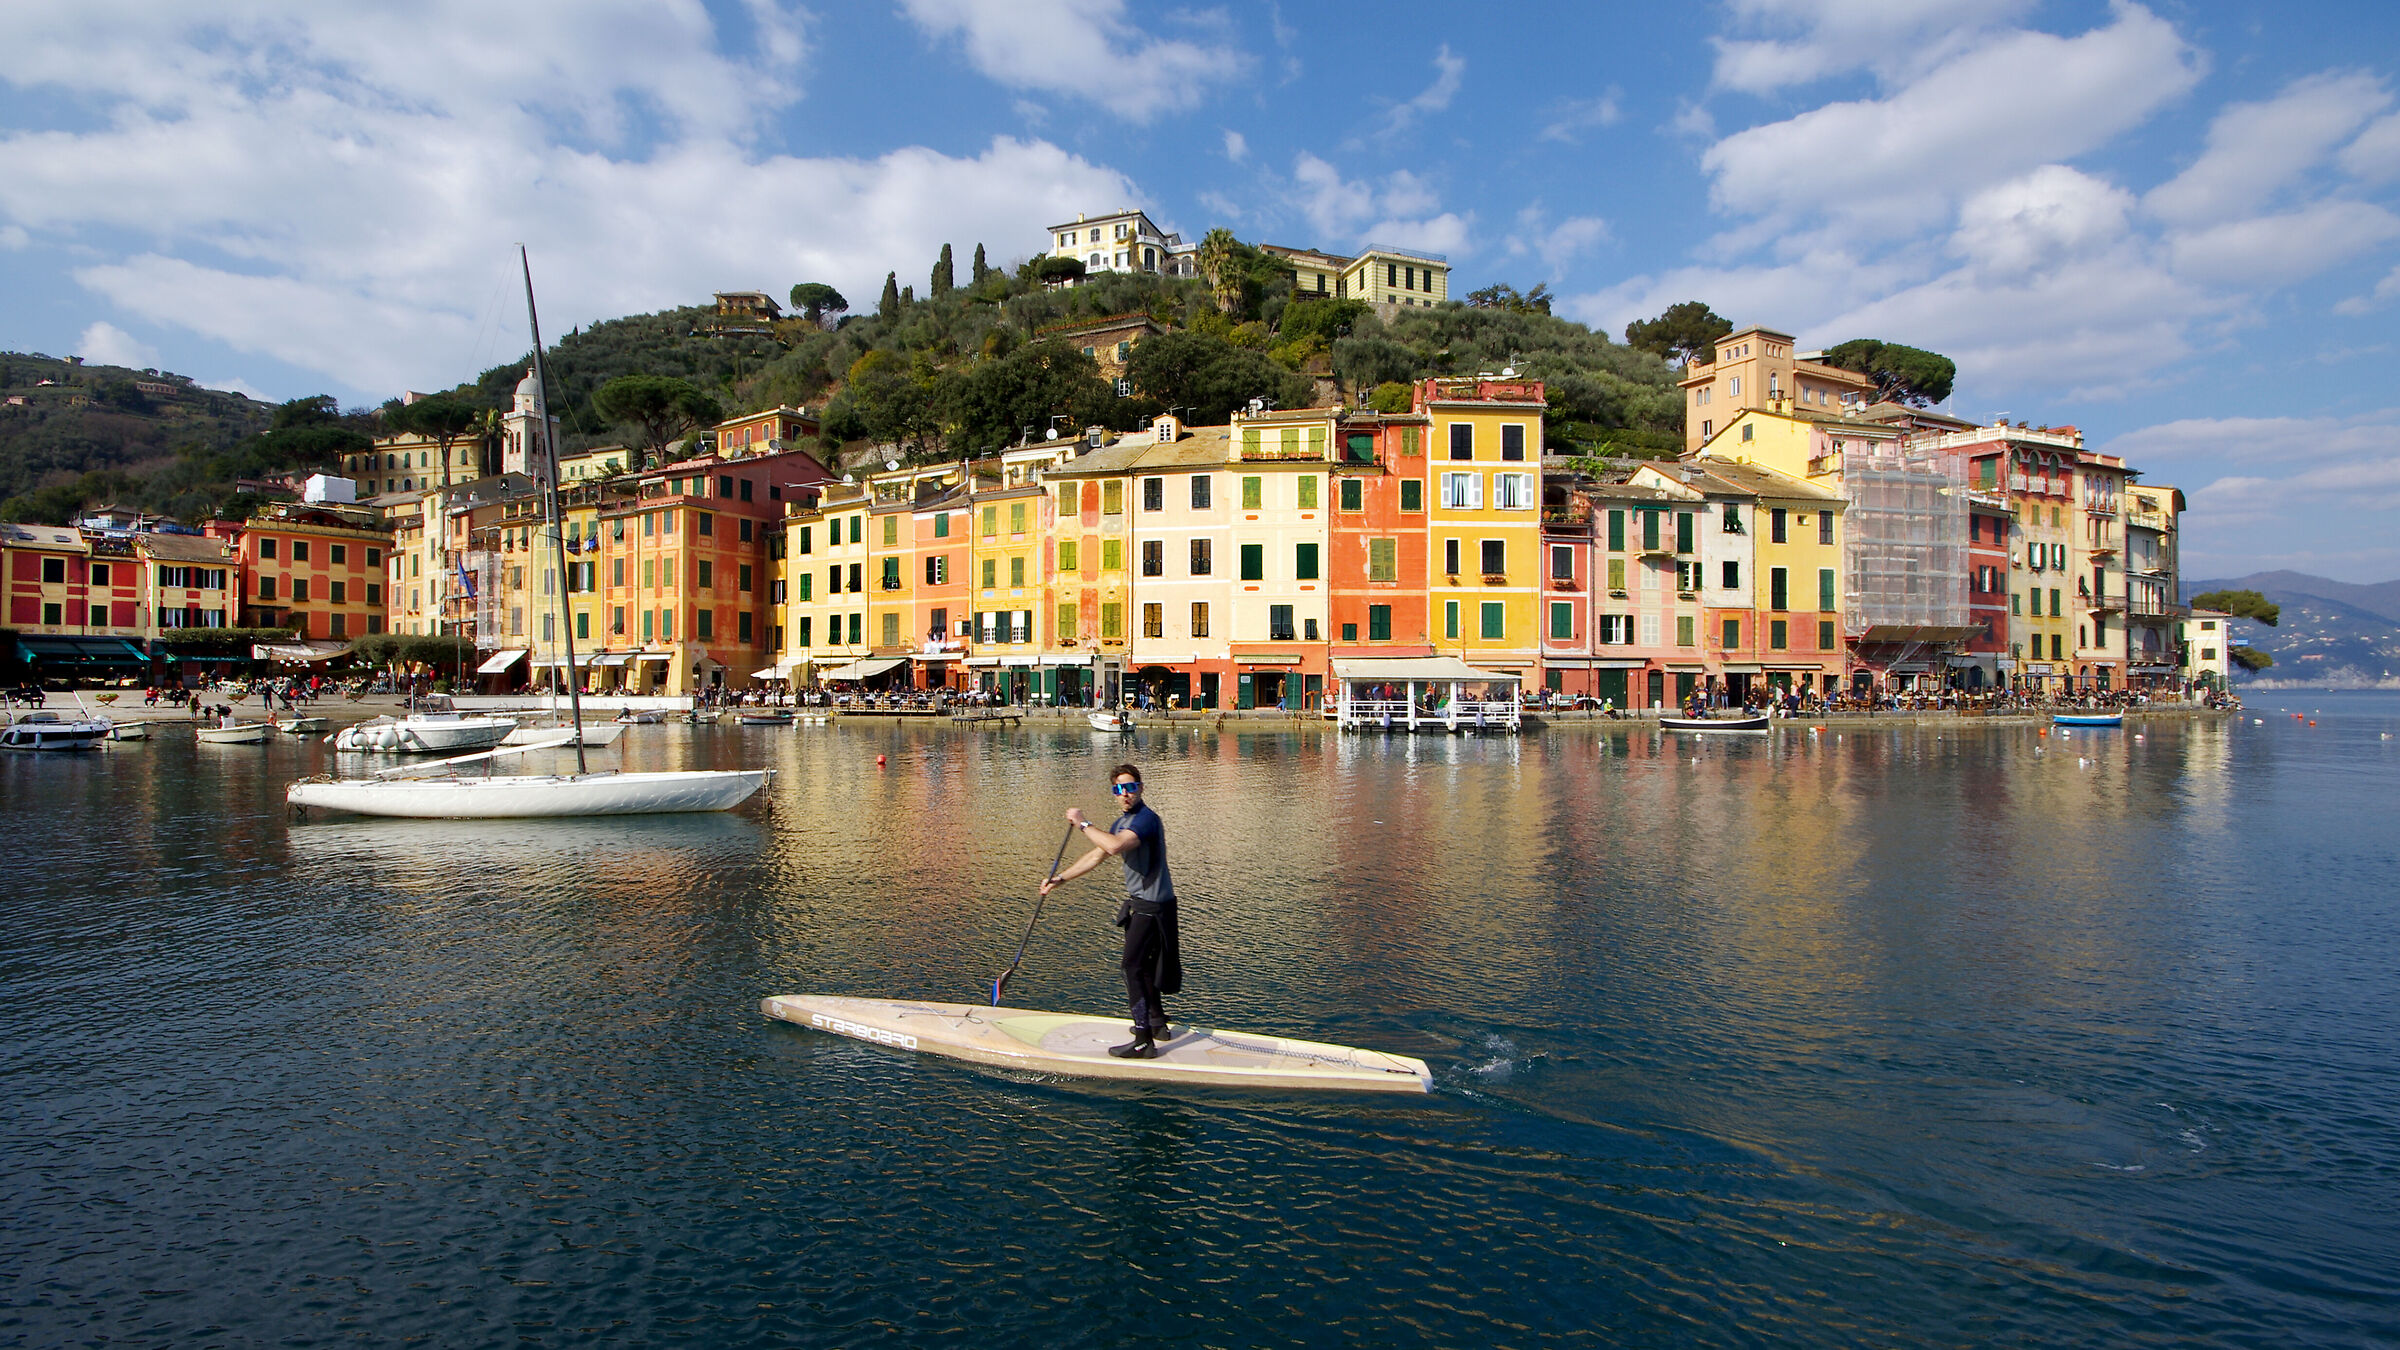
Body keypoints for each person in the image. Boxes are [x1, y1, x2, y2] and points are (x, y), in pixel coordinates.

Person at [1039, 763, 1182, 1059]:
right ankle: (1156, 1024)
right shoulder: (1122, 822)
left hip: (1152, 909)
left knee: (1131, 968)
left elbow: (1115, 847)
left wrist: (1082, 823)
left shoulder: (1145, 820)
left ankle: (1144, 1042)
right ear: (1114, 794)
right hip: (1149, 907)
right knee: (1144, 966)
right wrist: (1061, 879)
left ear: (1141, 787)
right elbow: (1097, 854)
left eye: (1130, 787)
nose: (1125, 794)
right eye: (1119, 789)